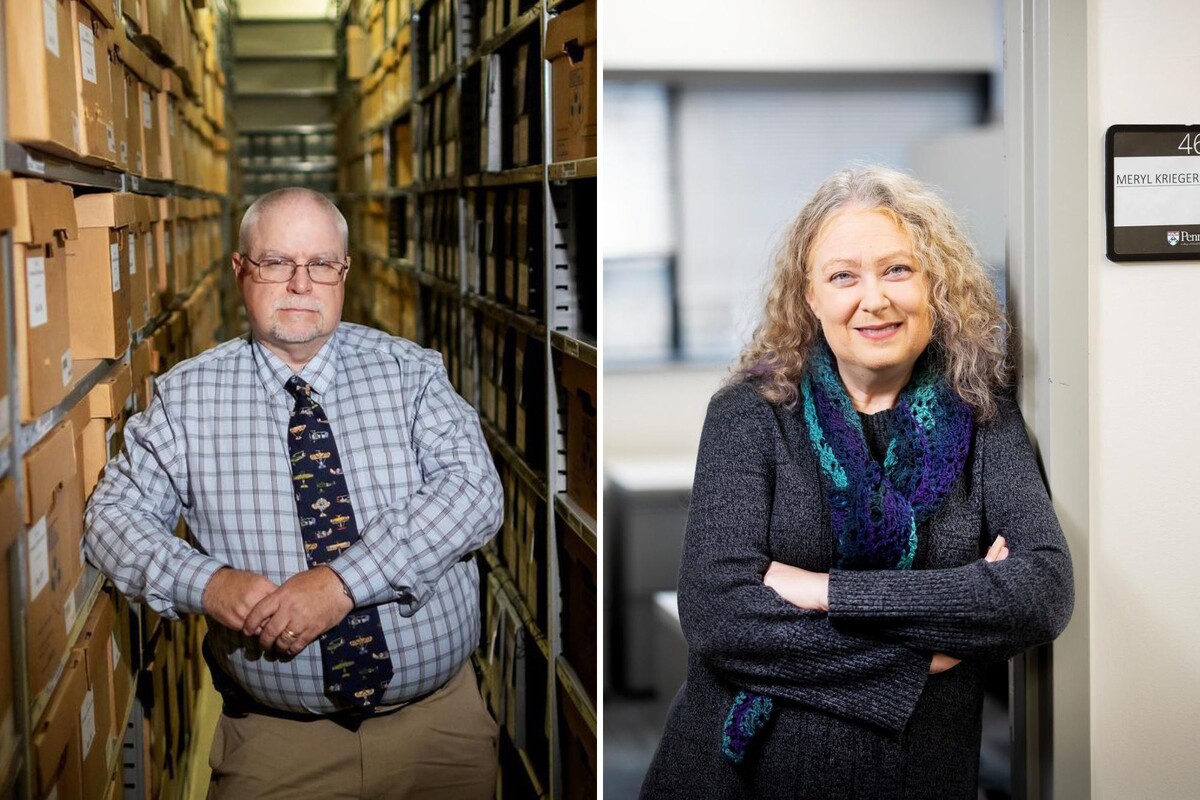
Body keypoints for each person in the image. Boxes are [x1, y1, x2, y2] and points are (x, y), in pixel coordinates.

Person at [639, 167, 1074, 799]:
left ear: (936, 283)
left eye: (897, 270)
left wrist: (821, 591)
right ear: (810, 297)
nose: (874, 299)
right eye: (843, 276)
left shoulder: (983, 413)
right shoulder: (751, 413)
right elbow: (719, 616)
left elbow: (1040, 593)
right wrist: (921, 658)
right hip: (742, 779)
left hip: (918, 777)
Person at [84, 187, 503, 799]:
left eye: (322, 264)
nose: (301, 284)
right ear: (240, 270)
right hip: (275, 747)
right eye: (276, 262)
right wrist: (208, 583)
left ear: (344, 273)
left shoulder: (410, 373)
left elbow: (475, 491)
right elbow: (110, 517)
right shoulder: (187, 399)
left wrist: (341, 585)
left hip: (438, 735)